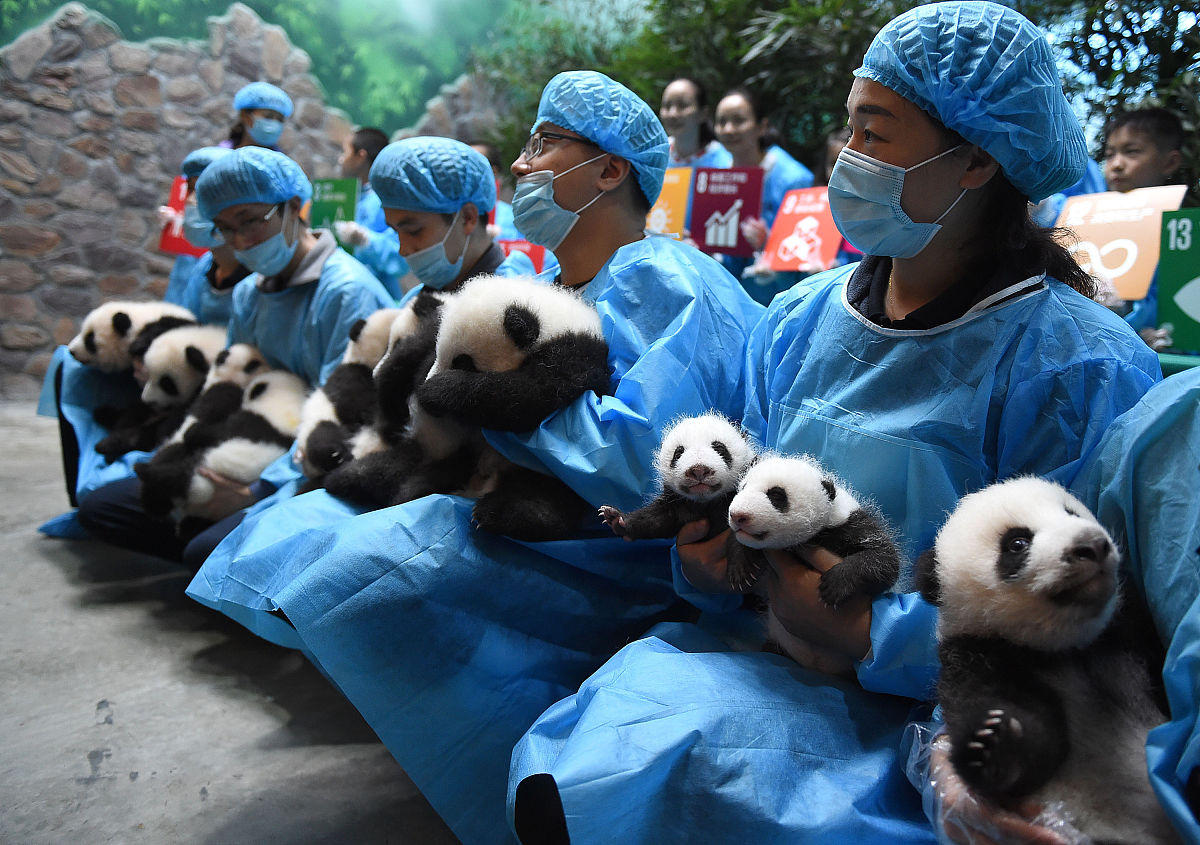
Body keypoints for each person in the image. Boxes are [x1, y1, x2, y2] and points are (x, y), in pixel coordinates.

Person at [507, 4, 1162, 842]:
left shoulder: (1076, 366)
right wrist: (706, 564)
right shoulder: (800, 320)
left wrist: (869, 633)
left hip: (947, 726)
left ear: (973, 158)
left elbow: (1084, 615)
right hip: (765, 666)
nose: (845, 158)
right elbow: (731, 481)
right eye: (848, 130)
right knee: (577, 759)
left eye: (875, 132)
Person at [184, 70, 764, 844]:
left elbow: (644, 461)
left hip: (618, 546)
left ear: (610, 168)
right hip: (530, 503)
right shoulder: (555, 281)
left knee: (377, 560)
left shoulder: (668, 280)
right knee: (302, 530)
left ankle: (504, 745)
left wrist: (498, 415)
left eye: (544, 143)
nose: (522, 166)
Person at [75, 147, 393, 571]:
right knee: (103, 507)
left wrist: (260, 490)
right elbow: (227, 385)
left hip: (313, 462)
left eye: (250, 222)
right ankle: (231, 554)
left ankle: (237, 553)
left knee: (204, 550)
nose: (241, 241)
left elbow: (342, 418)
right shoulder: (249, 292)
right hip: (249, 441)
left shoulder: (346, 292)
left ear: (295, 206)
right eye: (226, 228)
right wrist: (190, 454)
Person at [712, 86, 814, 304]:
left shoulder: (793, 179)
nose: (729, 129)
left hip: (779, 300)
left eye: (738, 120)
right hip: (728, 298)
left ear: (762, 126)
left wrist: (771, 244)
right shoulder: (715, 174)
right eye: (721, 121)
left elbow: (805, 250)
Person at [1103, 107, 1187, 338]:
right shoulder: (1084, 214)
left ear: (1170, 163)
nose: (1116, 164)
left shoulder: (1183, 233)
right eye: (1109, 154)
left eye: (1132, 152)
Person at [165, 146, 252, 326]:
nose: (191, 201)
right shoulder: (204, 269)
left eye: (204, 191)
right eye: (190, 189)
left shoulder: (258, 275)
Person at [332, 126, 410, 299]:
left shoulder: (383, 201)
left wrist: (366, 240)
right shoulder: (347, 197)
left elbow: (400, 258)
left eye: (345, 152)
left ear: (360, 156)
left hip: (377, 298)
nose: (340, 160)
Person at [660, 77, 730, 168]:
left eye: (683, 105)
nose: (672, 114)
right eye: (667, 106)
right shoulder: (656, 155)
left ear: (703, 114)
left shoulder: (725, 161)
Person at [224, 81, 293, 150]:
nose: (274, 123)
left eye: (280, 119)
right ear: (245, 116)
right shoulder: (221, 155)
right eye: (268, 116)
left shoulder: (281, 160)